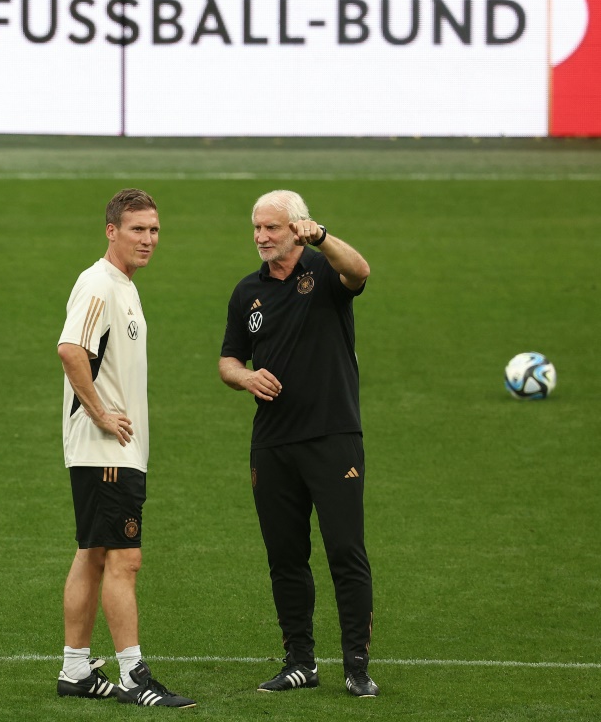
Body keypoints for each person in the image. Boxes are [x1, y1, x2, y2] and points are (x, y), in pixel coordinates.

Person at [218, 189, 379, 698]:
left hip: (333, 437)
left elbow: (361, 272)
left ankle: (356, 666)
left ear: (297, 227)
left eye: (271, 228)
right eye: (256, 229)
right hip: (272, 443)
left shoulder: (325, 271)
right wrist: (245, 378)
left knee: (345, 552)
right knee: (285, 556)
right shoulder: (248, 292)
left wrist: (326, 238)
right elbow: (228, 360)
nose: (261, 237)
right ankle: (300, 662)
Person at [55, 188, 195, 709]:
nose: (148, 239)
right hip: (105, 451)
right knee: (124, 560)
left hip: (111, 452)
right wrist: (99, 413)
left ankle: (75, 670)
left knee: (93, 554)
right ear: (111, 230)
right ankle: (134, 674)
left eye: (154, 230)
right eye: (138, 229)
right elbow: (71, 350)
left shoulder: (124, 287)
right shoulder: (99, 285)